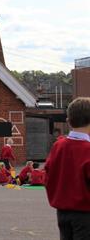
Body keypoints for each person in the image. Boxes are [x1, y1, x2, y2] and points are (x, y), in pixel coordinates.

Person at [45, 97, 90, 239]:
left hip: (62, 212)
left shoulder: (58, 146)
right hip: (85, 213)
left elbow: (48, 175)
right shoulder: (88, 149)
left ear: (68, 121)